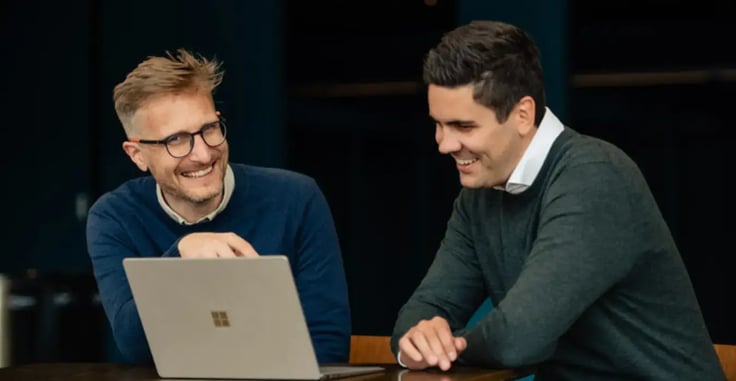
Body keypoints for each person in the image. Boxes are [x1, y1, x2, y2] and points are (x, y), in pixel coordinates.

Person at [391, 20, 725, 380]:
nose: (444, 144)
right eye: (438, 124)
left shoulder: (594, 176)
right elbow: (421, 314)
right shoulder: (477, 199)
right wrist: (417, 342)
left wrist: (448, 347)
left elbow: (518, 338)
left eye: (463, 127)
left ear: (523, 115)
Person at [86, 49, 351, 364]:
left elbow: (329, 346)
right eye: (176, 140)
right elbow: (134, 347)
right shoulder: (114, 217)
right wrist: (182, 254)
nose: (202, 154)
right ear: (137, 155)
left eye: (208, 129)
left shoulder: (296, 198)